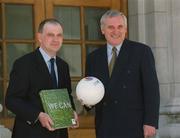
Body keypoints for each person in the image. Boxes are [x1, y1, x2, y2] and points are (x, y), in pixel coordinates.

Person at [85, 10, 160, 138]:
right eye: (111, 27)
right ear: (102, 30)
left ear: (125, 29)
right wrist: (85, 100)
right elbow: (89, 89)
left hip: (134, 126)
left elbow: (151, 90)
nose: (116, 31)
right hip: (105, 126)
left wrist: (150, 122)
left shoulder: (141, 52)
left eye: (120, 27)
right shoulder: (93, 57)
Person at [5, 18, 79, 138]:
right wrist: (38, 115)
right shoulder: (24, 64)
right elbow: (12, 100)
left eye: (59, 35)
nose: (56, 39)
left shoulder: (63, 66)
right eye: (50, 35)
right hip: (30, 133)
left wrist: (72, 112)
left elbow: (66, 95)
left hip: (60, 134)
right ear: (39, 37)